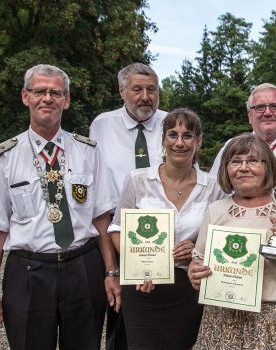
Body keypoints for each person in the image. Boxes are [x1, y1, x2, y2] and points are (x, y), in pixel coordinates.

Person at [0, 64, 118, 349]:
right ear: (25, 97)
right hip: (28, 271)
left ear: (67, 100)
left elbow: (101, 217)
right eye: (40, 91)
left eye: (56, 92)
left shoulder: (88, 151)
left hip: (83, 267)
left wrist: (111, 272)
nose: (47, 98)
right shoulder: (2, 158)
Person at [188, 133, 276, 349]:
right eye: (235, 161)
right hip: (222, 320)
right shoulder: (216, 210)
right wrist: (195, 274)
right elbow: (198, 264)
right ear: (226, 169)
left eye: (252, 161)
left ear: (268, 167)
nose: (243, 167)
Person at [108, 108, 227, 349]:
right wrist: (136, 265)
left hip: (187, 289)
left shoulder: (214, 187)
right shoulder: (138, 179)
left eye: (188, 135)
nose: (179, 143)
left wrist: (195, 248)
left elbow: (217, 238)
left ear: (199, 140)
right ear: (163, 140)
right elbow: (117, 229)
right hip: (143, 286)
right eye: (173, 135)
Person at [89, 62, 167, 349]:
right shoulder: (102, 125)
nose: (145, 96)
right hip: (118, 237)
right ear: (122, 91)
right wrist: (112, 267)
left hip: (165, 239)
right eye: (137, 89)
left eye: (151, 89)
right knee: (121, 321)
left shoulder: (172, 124)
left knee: (163, 322)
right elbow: (98, 196)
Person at [209, 83, 276, 176]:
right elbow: (215, 189)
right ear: (250, 116)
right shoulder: (230, 148)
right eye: (260, 107)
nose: (267, 113)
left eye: (274, 106)